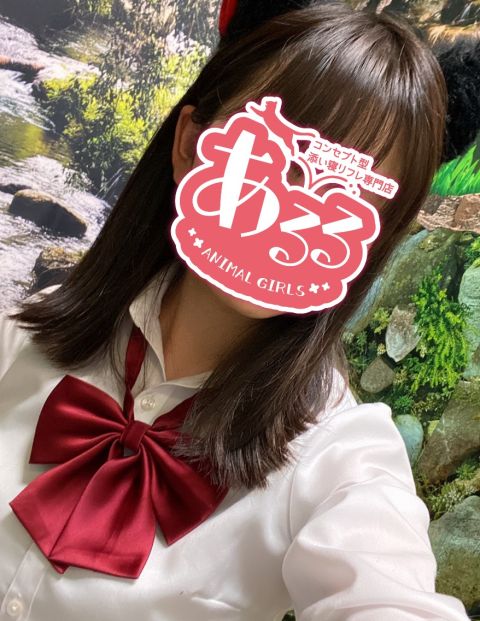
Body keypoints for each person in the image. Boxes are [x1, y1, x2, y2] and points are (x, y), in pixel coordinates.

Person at [0, 1, 475, 620]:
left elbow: (391, 597)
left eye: (347, 200)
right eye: (275, 163)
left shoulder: (341, 455)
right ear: (191, 144)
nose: (293, 212)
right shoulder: (24, 335)